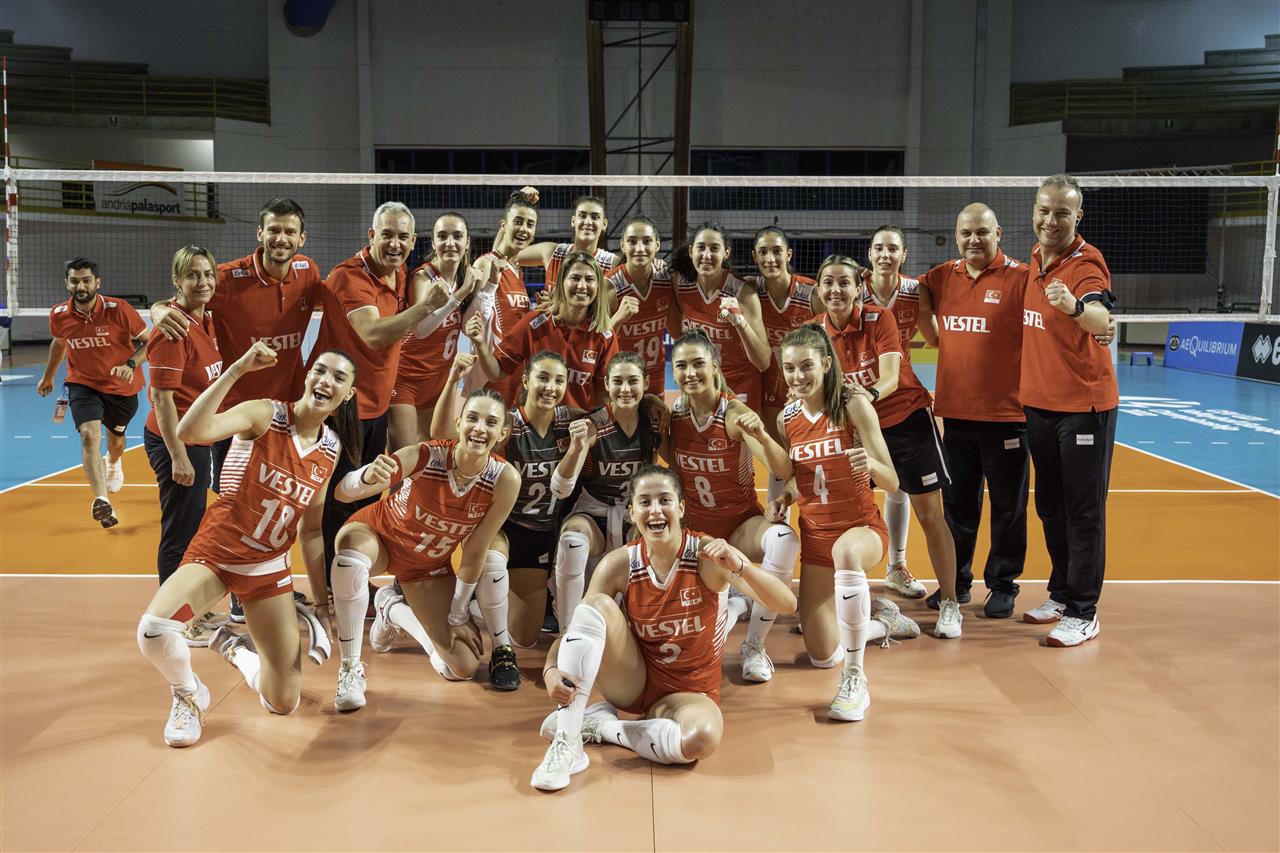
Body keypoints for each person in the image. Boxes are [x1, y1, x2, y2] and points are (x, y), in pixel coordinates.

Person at [135, 341, 357, 747]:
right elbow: (190, 432)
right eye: (320, 370)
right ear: (307, 376)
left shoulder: (330, 448)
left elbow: (310, 532)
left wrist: (323, 603)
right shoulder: (264, 414)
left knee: (283, 701)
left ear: (348, 394)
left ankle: (234, 648)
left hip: (268, 568)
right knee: (154, 631)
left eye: (338, 377)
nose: (326, 380)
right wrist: (237, 369)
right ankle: (188, 694)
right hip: (217, 554)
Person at [530, 464, 797, 792]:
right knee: (596, 604)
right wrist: (550, 670)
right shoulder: (620, 563)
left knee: (701, 740)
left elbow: (786, 603)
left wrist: (740, 565)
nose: (655, 510)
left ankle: (603, 729)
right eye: (645, 502)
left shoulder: (708, 555)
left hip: (691, 691)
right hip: (633, 680)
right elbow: (575, 627)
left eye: (664, 500)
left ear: (681, 507)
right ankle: (567, 741)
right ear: (632, 512)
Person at [325, 390, 520, 710]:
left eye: (490, 422)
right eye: (472, 418)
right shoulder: (427, 455)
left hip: (426, 567)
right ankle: (350, 670)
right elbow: (343, 494)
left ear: (502, 434)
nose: (479, 428)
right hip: (379, 537)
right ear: (458, 423)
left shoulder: (504, 479)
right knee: (350, 558)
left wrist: (458, 615)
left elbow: (475, 551)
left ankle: (391, 608)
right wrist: (363, 478)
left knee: (463, 667)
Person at [814, 253, 963, 639]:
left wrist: (867, 395)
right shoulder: (815, 333)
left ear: (858, 288)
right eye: (828, 282)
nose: (836, 290)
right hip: (856, 431)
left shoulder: (880, 319)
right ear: (819, 289)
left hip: (906, 421)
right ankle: (846, 602)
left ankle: (950, 602)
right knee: (846, 520)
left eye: (844, 282)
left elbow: (892, 377)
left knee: (930, 515)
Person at [150, 198, 325, 490]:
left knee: (282, 497)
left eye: (290, 232)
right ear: (260, 233)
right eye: (273, 230)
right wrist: (158, 310)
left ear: (302, 238)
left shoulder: (308, 271)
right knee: (230, 498)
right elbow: (186, 295)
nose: (281, 239)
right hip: (233, 414)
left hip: (286, 410)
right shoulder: (227, 278)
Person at [770, 324, 897, 721]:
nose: (798, 376)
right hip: (816, 539)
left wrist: (870, 464)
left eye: (806, 366)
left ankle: (855, 679)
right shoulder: (787, 419)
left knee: (846, 552)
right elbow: (803, 476)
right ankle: (880, 624)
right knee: (822, 655)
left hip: (861, 531)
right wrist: (787, 495)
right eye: (790, 368)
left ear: (826, 364)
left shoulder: (852, 405)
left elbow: (893, 482)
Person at [659, 329, 801, 683]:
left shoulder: (734, 413)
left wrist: (762, 434)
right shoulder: (674, 416)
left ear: (714, 365)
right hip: (697, 532)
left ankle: (755, 645)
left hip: (740, 525)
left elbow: (784, 470)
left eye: (698, 364)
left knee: (784, 540)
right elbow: (670, 464)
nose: (690, 373)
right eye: (681, 366)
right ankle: (735, 601)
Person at [309, 201, 442, 577]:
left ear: (413, 241)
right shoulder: (350, 276)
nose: (394, 244)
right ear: (371, 236)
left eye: (402, 237)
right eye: (387, 235)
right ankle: (333, 583)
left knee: (367, 492)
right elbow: (371, 333)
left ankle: (351, 574)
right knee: (338, 498)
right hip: (342, 407)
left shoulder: (399, 273)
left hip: (377, 406)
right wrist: (424, 307)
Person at [917, 204, 1030, 619]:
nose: (973, 240)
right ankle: (957, 582)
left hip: (1007, 417)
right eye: (965, 233)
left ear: (998, 233)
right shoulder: (942, 276)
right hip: (957, 416)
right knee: (958, 508)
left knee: (1008, 509)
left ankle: (1002, 585)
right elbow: (909, 292)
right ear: (956, 235)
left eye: (982, 232)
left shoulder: (1021, 278)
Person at [1019, 174, 1117, 647]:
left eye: (1062, 213)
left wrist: (1076, 308)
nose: (1051, 220)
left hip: (1084, 407)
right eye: (1044, 210)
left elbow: (1102, 315)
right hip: (1040, 406)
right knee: (1051, 508)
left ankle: (1083, 611)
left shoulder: (1086, 263)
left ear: (1078, 216)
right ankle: (1060, 594)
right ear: (1034, 212)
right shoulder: (1034, 260)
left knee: (1083, 512)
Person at [549, 351, 667, 630]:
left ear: (646, 382)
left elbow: (674, 467)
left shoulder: (655, 421)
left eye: (633, 381)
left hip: (636, 517)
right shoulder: (594, 425)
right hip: (594, 513)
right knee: (573, 540)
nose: (625, 389)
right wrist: (576, 448)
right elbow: (561, 489)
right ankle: (568, 629)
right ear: (606, 384)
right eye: (618, 381)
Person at [38, 257, 149, 528]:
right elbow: (59, 343)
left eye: (86, 280)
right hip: (82, 384)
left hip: (121, 386)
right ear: (67, 283)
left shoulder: (119, 309)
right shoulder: (59, 314)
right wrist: (48, 375)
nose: (81, 286)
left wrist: (131, 364)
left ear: (97, 282)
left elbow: (151, 342)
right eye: (74, 281)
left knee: (116, 442)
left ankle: (113, 462)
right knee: (89, 436)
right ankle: (101, 499)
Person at [144, 247, 224, 614]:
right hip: (176, 440)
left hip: (197, 438)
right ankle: (171, 618)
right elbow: (161, 400)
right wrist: (178, 457)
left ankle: (189, 612)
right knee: (180, 533)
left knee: (193, 529)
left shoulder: (206, 319)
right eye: (192, 275)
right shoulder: (173, 331)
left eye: (207, 274)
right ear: (177, 280)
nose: (202, 281)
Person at [860, 226, 930, 600]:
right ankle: (847, 571)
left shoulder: (916, 291)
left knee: (898, 486)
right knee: (853, 487)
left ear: (904, 254)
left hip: (899, 399)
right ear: (869, 254)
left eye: (892, 248)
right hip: (858, 400)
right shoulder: (852, 288)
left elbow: (937, 333)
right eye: (878, 248)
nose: (885, 254)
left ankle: (896, 566)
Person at [465, 252, 617, 410]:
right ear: (561, 283)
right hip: (534, 421)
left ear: (598, 286)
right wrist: (480, 343)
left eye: (590, 279)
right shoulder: (535, 323)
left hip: (578, 423)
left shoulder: (604, 335)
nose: (582, 286)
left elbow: (604, 397)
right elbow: (496, 373)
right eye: (575, 278)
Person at [389, 211, 483, 449]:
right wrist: (459, 295)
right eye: (442, 236)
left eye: (457, 236)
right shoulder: (423, 277)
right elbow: (421, 330)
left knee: (436, 453)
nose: (450, 243)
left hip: (437, 381)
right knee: (405, 454)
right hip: (406, 379)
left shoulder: (466, 278)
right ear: (433, 242)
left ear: (467, 242)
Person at [744, 225, 818, 502]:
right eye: (763, 252)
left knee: (810, 458)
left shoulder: (811, 294)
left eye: (777, 251)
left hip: (805, 389)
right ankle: (777, 521)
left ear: (789, 254)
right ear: (754, 256)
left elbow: (831, 342)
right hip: (769, 388)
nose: (770, 259)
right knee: (778, 462)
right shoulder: (749, 291)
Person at [670, 223, 772, 412]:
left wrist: (739, 321)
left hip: (740, 383)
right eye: (701, 247)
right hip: (703, 381)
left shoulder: (743, 293)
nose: (706, 255)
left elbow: (764, 361)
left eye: (714, 248)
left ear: (726, 253)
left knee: (740, 431)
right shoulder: (679, 285)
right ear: (691, 251)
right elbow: (677, 332)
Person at [465, 192, 540, 402]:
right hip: (492, 370)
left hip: (516, 368)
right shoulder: (485, 264)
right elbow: (473, 318)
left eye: (530, 224)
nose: (523, 229)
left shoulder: (515, 269)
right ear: (503, 225)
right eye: (518, 221)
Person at [604, 214, 676, 393]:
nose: (639, 248)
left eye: (647, 241)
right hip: (621, 376)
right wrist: (618, 318)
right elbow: (596, 342)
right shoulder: (610, 286)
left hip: (655, 375)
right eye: (632, 241)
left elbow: (677, 331)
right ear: (622, 245)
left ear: (657, 245)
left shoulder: (666, 279)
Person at [511, 188, 617, 293]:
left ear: (604, 224)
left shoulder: (612, 263)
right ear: (573, 221)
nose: (588, 222)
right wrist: (517, 204)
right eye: (582, 216)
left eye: (595, 217)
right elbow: (508, 254)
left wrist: (556, 302)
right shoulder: (552, 252)